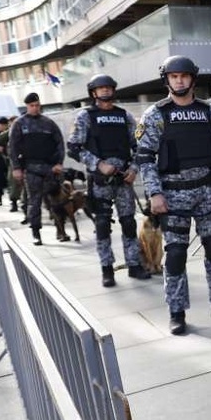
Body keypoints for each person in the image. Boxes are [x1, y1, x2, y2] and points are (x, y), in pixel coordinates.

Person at [134, 55, 211, 335]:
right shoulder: (156, 114)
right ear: (167, 80)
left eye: (184, 76)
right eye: (174, 76)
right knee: (176, 254)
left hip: (208, 191)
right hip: (173, 195)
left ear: (192, 79)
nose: (179, 81)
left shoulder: (209, 113)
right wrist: (154, 193)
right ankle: (177, 311)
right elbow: (145, 158)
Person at [68, 74, 152, 287]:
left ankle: (134, 264)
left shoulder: (125, 116)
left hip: (123, 180)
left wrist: (133, 169)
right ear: (93, 92)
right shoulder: (85, 116)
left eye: (108, 87)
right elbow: (73, 147)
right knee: (103, 224)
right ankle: (107, 269)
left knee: (129, 223)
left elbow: (140, 146)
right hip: (100, 180)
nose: (105, 90)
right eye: (101, 88)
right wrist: (98, 164)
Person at [9, 93, 64, 245]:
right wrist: (16, 168)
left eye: (37, 105)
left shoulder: (48, 123)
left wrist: (59, 163)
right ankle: (36, 232)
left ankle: (61, 230)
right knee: (34, 202)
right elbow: (12, 147)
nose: (35, 108)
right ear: (27, 106)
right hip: (31, 168)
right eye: (32, 105)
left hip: (50, 169)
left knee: (57, 201)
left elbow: (59, 144)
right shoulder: (19, 124)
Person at [0, 115, 24, 212]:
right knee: (13, 182)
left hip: (25, 159)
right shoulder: (10, 132)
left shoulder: (24, 128)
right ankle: (14, 203)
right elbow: (0, 138)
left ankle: (25, 204)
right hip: (13, 161)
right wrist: (11, 129)